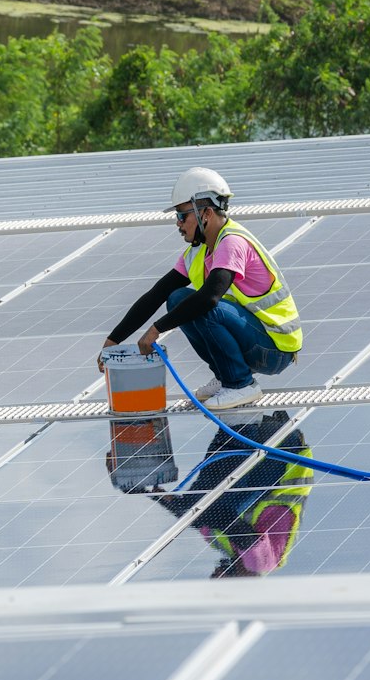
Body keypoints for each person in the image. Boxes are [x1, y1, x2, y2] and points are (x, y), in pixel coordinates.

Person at [100, 166, 302, 409]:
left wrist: (157, 329)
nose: (178, 223)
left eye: (182, 215)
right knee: (177, 298)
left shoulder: (232, 242)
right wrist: (113, 340)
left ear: (205, 212)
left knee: (203, 307)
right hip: (255, 340)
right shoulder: (198, 251)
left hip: (275, 348)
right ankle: (226, 377)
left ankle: (240, 384)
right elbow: (156, 295)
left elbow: (210, 298)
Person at [152, 412, 313, 578]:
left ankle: (239, 424)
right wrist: (198, 512)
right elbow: (241, 534)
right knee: (219, 505)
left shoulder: (223, 545)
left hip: (266, 448)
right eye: (219, 578)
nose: (215, 573)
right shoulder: (260, 564)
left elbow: (193, 516)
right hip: (284, 452)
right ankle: (242, 422)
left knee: (204, 501)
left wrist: (156, 496)